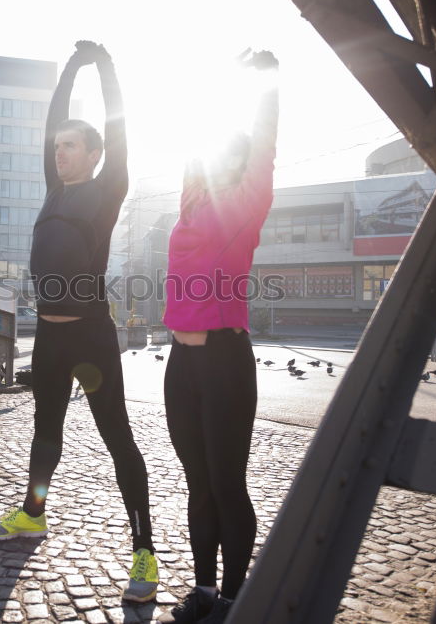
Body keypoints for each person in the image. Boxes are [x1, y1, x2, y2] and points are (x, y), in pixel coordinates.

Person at [0, 41, 158, 603]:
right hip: (51, 336)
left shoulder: (109, 190)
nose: (59, 153)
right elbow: (52, 121)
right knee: (45, 431)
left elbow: (116, 125)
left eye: (70, 147)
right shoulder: (54, 188)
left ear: (94, 153)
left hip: (90, 334)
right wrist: (69, 70)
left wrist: (102, 66)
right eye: (57, 147)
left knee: (117, 439)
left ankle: (145, 553)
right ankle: (33, 515)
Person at [158, 50, 279, 623]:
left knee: (228, 483)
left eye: (236, 155)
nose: (223, 160)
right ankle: (204, 591)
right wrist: (208, 90)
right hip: (180, 364)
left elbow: (264, 146)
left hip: (226, 360)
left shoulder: (246, 207)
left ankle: (235, 598)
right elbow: (192, 147)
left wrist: (262, 86)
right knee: (197, 483)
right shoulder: (192, 201)